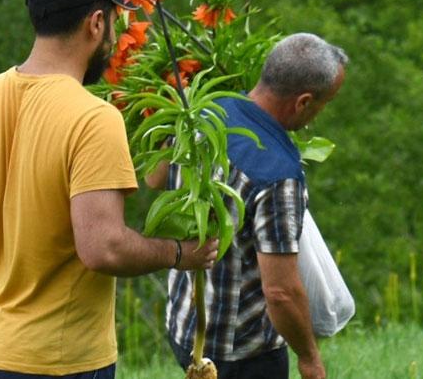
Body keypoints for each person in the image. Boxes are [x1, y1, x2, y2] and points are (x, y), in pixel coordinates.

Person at [0, 0, 217, 378]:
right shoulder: (93, 118)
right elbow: (102, 246)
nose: (112, 39)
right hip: (61, 361)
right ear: (95, 23)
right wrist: (179, 253)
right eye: (112, 22)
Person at [147, 33, 347, 379]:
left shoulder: (204, 108)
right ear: (303, 102)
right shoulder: (277, 175)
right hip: (240, 353)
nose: (321, 113)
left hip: (186, 324)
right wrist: (310, 359)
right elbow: (281, 292)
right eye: (325, 103)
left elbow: (153, 178)